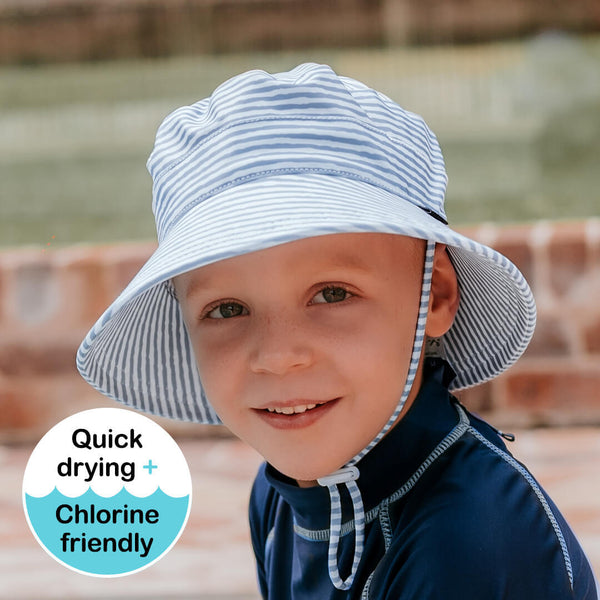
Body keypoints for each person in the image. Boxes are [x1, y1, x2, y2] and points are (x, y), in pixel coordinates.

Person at [77, 63, 598, 598]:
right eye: (228, 309)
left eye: (332, 293)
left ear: (435, 294)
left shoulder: (467, 543)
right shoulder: (281, 497)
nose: (278, 357)